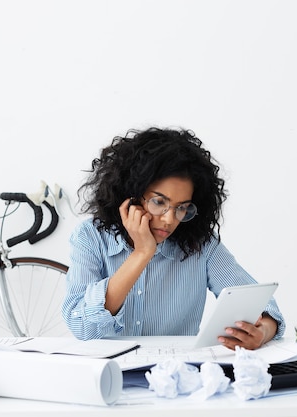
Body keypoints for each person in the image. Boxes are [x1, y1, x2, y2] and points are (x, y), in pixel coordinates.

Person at [62, 127, 285, 350]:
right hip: (107, 372)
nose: (170, 219)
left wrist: (263, 331)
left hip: (177, 371)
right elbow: (83, 327)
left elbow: (263, 307)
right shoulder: (90, 237)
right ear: (130, 196)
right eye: (159, 202)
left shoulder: (201, 244)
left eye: (182, 208)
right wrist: (142, 253)